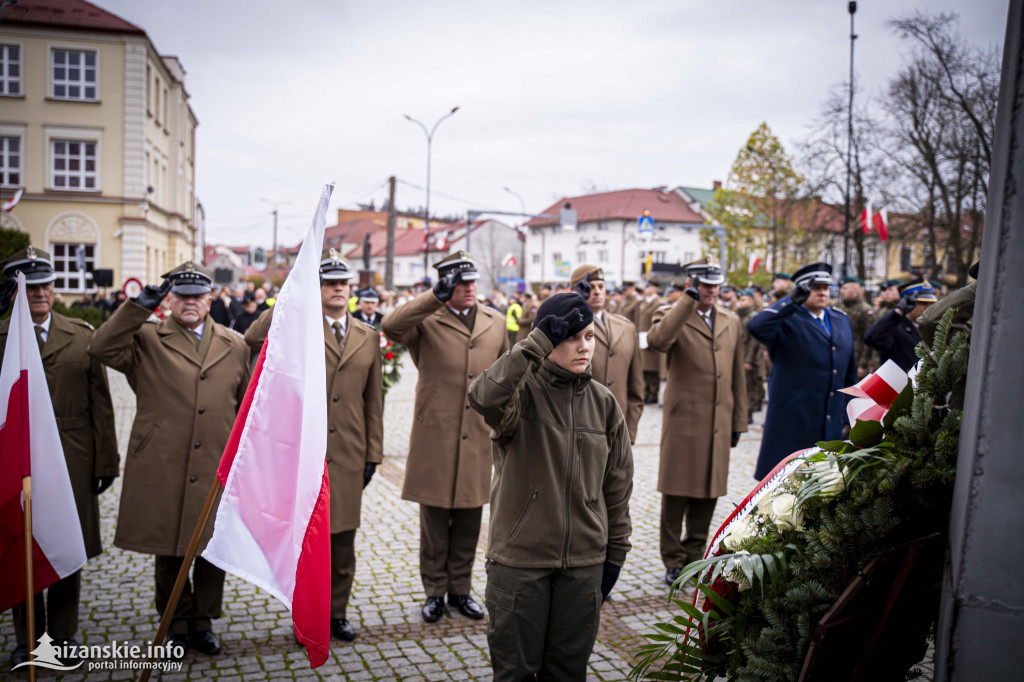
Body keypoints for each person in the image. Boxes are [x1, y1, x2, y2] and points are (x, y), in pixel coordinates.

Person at [88, 261, 250, 657]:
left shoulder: (234, 343)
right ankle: (175, 621)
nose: (189, 302)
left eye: (197, 295)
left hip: (216, 460)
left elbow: (244, 404)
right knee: (171, 546)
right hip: (164, 458)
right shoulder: (145, 337)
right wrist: (136, 307)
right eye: (181, 295)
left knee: (213, 547)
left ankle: (204, 622)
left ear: (211, 300)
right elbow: (100, 347)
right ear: (170, 300)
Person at [468, 292, 633, 681]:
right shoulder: (520, 393)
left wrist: (616, 553)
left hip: (583, 565)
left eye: (589, 336)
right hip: (520, 563)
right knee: (516, 674)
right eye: (570, 336)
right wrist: (535, 343)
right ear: (547, 338)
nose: (583, 346)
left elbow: (618, 484)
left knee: (567, 673)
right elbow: (482, 396)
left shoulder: (604, 403)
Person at [244, 253, 383, 642]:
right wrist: (290, 297)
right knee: (306, 541)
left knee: (342, 540)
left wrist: (374, 453)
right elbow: (253, 339)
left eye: (344, 283)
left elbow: (374, 401)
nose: (338, 288)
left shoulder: (368, 336)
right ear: (316, 289)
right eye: (329, 283)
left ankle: (336, 613)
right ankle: (306, 616)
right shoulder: (296, 327)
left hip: (350, 452)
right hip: (304, 452)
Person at [0, 247, 119, 667]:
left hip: (73, 455)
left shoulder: (81, 334)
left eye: (46, 285)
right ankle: (27, 636)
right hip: (17, 460)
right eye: (30, 287)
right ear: (15, 292)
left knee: (68, 544)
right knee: (23, 546)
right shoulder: (1, 338)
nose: (40, 293)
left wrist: (107, 461)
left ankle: (63, 635)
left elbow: (100, 404)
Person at [381, 251, 509, 623]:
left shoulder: (495, 322)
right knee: (434, 518)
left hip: (478, 433)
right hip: (435, 432)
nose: (469, 288)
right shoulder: (426, 320)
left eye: (472, 281)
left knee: (470, 517)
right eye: (461, 282)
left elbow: (507, 373)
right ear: (446, 283)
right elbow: (390, 326)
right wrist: (433, 297)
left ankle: (461, 590)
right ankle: (434, 592)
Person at [647, 258, 747, 585]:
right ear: (692, 284)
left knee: (708, 491)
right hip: (684, 421)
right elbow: (659, 341)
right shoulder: (671, 314)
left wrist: (738, 422)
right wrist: (686, 301)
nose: (712, 290)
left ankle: (694, 557)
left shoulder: (731, 320)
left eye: (716, 285)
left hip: (718, 420)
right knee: (676, 493)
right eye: (705, 285)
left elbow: (735, 375)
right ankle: (673, 560)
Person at [748, 262, 856, 481]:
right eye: (815, 287)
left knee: (824, 491)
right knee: (787, 492)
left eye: (826, 287)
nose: (822, 292)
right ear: (800, 290)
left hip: (829, 423)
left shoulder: (841, 319)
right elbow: (756, 327)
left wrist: (847, 416)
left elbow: (848, 373)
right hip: (793, 423)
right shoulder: (786, 319)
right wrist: (791, 300)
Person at [570, 265, 643, 443]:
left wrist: (629, 432)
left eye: (601, 287)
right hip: (578, 430)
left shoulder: (626, 327)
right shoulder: (567, 325)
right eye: (590, 287)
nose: (597, 292)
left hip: (617, 430)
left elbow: (636, 387)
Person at [863, 278, 938, 372]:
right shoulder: (895, 326)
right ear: (908, 302)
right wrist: (899, 311)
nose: (928, 307)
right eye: (923, 303)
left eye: (932, 303)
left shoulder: (933, 328)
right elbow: (872, 338)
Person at [837, 276, 877, 378]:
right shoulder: (842, 309)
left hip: (857, 359)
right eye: (841, 289)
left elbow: (868, 339)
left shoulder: (865, 310)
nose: (842, 291)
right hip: (842, 358)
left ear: (855, 289)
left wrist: (863, 364)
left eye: (845, 288)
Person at [735, 288, 765, 423]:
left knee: (749, 388)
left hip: (749, 358)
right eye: (739, 299)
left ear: (752, 301)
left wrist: (748, 360)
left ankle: (748, 413)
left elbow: (754, 342)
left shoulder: (752, 317)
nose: (740, 302)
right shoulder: (737, 315)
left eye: (744, 300)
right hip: (738, 356)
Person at [637, 281, 664, 404]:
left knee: (653, 368)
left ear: (654, 288)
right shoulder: (644, 303)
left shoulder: (659, 303)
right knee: (645, 368)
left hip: (651, 338)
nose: (646, 289)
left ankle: (653, 394)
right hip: (642, 338)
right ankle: (646, 392)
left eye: (648, 287)